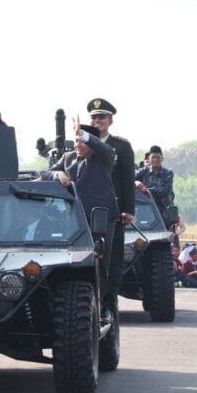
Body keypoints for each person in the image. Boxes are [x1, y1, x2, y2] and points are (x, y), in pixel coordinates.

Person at [40, 116, 118, 320]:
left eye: (81, 141)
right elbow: (47, 172)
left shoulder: (103, 157)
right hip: (73, 221)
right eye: (75, 141)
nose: (77, 145)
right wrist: (58, 176)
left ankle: (101, 307)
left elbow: (106, 150)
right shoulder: (68, 159)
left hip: (99, 219)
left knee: (100, 263)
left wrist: (84, 133)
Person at [87, 98, 135, 312]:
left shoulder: (121, 146)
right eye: (94, 117)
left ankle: (108, 304)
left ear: (110, 120)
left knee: (112, 260)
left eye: (102, 117)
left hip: (113, 212)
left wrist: (129, 210)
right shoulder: (83, 144)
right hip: (88, 212)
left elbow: (127, 180)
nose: (98, 121)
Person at [135, 145, 174, 217]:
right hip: (146, 209)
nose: (155, 160)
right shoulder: (143, 171)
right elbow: (129, 180)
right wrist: (136, 183)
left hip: (164, 210)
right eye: (153, 157)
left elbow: (166, 190)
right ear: (149, 158)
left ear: (162, 158)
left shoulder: (168, 173)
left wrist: (147, 190)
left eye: (158, 157)